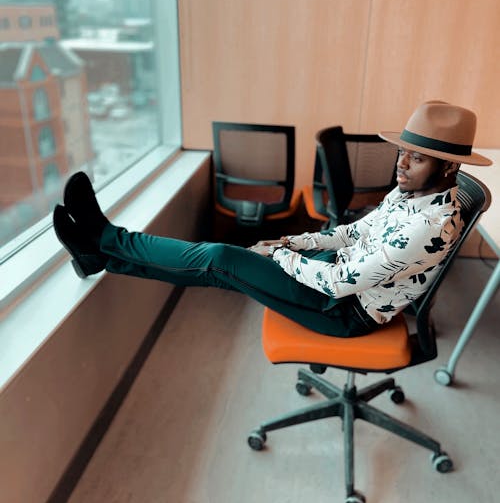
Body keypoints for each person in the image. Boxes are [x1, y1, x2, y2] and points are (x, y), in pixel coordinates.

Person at [53, 100, 491, 339]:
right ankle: (101, 255)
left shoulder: (429, 229)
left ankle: (105, 236)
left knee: (220, 256)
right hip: (335, 278)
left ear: (448, 167)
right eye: (403, 151)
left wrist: (280, 255)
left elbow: (340, 285)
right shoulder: (414, 189)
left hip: (342, 311)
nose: (402, 164)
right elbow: (355, 231)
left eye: (417, 158)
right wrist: (294, 243)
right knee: (222, 269)